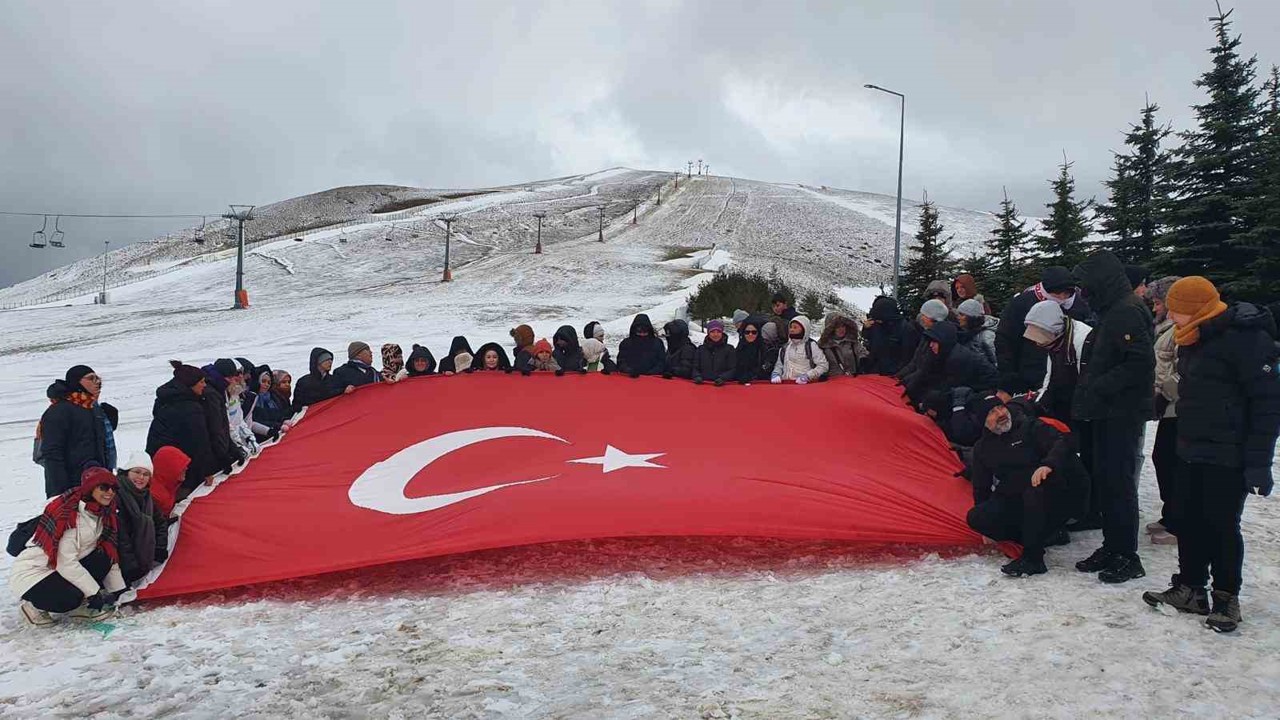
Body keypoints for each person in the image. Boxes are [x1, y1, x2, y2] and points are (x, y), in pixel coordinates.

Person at [1142, 277, 1279, 633]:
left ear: (1197, 308)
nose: (1170, 314)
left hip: (1228, 452)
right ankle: (1190, 588)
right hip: (1190, 445)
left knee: (1220, 525)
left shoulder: (1246, 341)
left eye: (1176, 308)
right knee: (1186, 518)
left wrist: (1260, 463)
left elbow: (1266, 405)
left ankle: (1225, 598)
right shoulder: (1193, 336)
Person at [1071, 250, 1155, 584]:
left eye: (1086, 284)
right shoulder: (1113, 309)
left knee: (1119, 484)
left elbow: (1139, 364)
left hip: (1122, 412)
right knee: (1106, 481)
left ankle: (1127, 555)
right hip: (1105, 411)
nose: (1083, 292)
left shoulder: (1127, 312)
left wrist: (1098, 387)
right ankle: (1112, 545)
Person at [966, 397, 1088, 577]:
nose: (1001, 414)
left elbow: (1063, 442)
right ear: (983, 422)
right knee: (976, 517)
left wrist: (1048, 465)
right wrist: (986, 527)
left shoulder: (1030, 426)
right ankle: (1048, 535)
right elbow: (981, 486)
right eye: (992, 412)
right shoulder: (982, 448)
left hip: (1054, 494)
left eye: (1001, 407)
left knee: (1034, 490)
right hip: (1017, 498)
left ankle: (1033, 558)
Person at [9, 467, 126, 626]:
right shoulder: (70, 515)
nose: (110, 492)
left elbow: (109, 549)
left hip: (58, 567)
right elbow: (65, 562)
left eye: (114, 488)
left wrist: (118, 591)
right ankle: (33, 607)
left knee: (102, 557)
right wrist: (93, 592)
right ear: (91, 488)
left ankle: (80, 602)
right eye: (104, 487)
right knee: (68, 599)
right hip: (35, 572)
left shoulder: (104, 513)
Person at [995, 266, 1094, 399]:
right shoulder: (1022, 303)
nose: (1062, 298)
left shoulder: (1080, 305)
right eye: (1057, 294)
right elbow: (1005, 341)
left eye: (1067, 294)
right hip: (1029, 375)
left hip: (1068, 377)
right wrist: (1008, 382)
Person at [37, 365, 109, 498]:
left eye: (98, 378)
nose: (97, 382)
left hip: (95, 479)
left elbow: (96, 442)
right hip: (70, 484)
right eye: (91, 378)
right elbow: (52, 452)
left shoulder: (90, 408)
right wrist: (61, 491)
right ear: (77, 382)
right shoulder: (59, 410)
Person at [146, 362, 216, 498]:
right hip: (180, 471)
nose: (205, 385)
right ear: (191, 384)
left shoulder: (164, 400)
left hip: (158, 464)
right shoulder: (190, 408)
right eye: (201, 382)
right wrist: (207, 470)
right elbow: (200, 443)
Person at [1147, 276, 1182, 545]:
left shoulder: (1181, 330)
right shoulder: (1165, 328)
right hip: (1167, 406)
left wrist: (1164, 394)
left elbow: (1183, 370)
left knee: (1172, 462)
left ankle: (1179, 521)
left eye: (1158, 302)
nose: (1154, 307)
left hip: (1177, 407)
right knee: (1163, 459)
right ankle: (1170, 513)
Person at [1023, 300, 1092, 424]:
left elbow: (1088, 383)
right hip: (1065, 401)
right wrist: (1040, 401)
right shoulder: (1056, 340)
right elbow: (1051, 375)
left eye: (1041, 339)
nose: (1037, 343)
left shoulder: (1082, 339)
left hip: (1085, 407)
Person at [901, 321, 999, 408]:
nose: (931, 345)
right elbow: (926, 373)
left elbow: (948, 389)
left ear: (943, 341)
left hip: (987, 391)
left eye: (934, 342)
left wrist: (924, 403)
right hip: (972, 388)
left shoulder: (957, 358)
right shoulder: (943, 353)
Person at [114, 452, 169, 586]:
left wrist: (159, 548)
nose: (141, 477)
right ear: (127, 472)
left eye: (146, 474)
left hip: (141, 560)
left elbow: (160, 522)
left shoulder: (146, 496)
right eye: (137, 472)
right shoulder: (117, 495)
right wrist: (131, 565)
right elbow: (121, 535)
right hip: (121, 563)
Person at [200, 359, 244, 477]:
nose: (231, 381)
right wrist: (223, 455)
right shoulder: (211, 394)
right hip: (210, 454)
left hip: (222, 447)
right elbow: (215, 427)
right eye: (229, 378)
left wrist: (233, 448)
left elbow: (225, 423)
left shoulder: (220, 390)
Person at [862, 296, 919, 376]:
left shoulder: (906, 329)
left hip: (895, 375)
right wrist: (866, 329)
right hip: (875, 372)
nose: (877, 321)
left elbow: (908, 358)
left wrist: (897, 374)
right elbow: (870, 342)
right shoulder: (877, 324)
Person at [771, 316, 830, 384]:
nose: (791, 330)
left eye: (795, 327)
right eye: (790, 327)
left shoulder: (811, 346)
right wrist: (776, 374)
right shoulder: (785, 348)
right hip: (786, 385)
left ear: (804, 329)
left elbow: (823, 366)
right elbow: (779, 365)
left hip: (805, 386)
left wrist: (808, 376)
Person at [292, 347, 351, 412]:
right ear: (318, 362)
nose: (330, 362)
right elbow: (296, 405)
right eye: (327, 360)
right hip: (312, 416)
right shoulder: (304, 382)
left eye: (331, 359)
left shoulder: (334, 379)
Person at [149, 446, 190, 518]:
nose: (186, 468)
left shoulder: (168, 485)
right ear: (169, 469)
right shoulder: (156, 497)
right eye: (180, 466)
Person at [957, 299, 999, 369]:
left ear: (971, 317)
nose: (958, 317)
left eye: (962, 315)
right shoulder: (968, 333)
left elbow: (997, 362)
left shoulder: (987, 336)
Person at [693, 320, 737, 385]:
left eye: (718, 332)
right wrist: (697, 376)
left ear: (722, 333)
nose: (715, 334)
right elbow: (695, 367)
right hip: (703, 385)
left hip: (723, 386)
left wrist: (723, 378)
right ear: (708, 333)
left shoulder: (729, 349)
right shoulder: (700, 349)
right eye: (712, 332)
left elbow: (733, 368)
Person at [252, 368, 292, 438]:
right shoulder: (251, 399)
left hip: (277, 432)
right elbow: (254, 420)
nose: (266, 385)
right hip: (261, 436)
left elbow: (279, 414)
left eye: (269, 382)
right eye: (263, 381)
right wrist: (278, 425)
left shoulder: (273, 397)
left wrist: (284, 420)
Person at [733, 318, 773, 383]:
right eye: (747, 332)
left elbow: (766, 369)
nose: (750, 334)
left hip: (758, 384)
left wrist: (752, 376)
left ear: (758, 333)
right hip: (740, 384)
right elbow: (734, 367)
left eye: (754, 332)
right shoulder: (739, 349)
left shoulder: (764, 349)